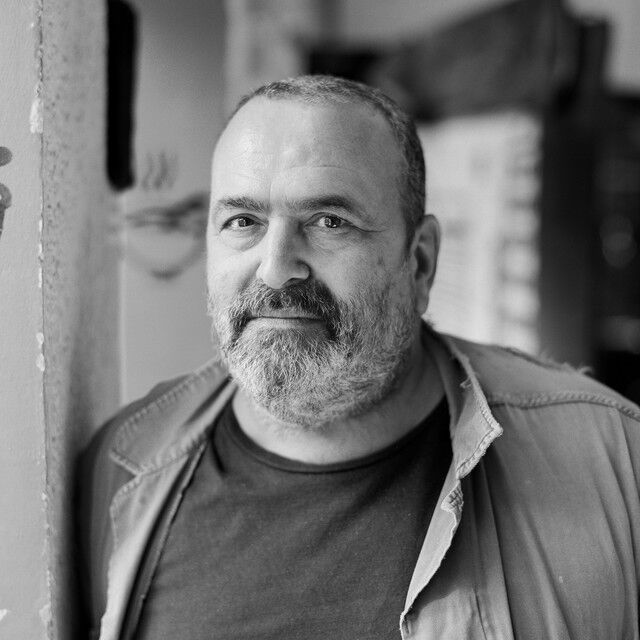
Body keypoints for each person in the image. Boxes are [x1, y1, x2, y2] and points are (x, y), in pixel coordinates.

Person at [77, 75, 640, 640]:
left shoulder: (612, 463)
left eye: (330, 222)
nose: (276, 268)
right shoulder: (125, 471)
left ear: (420, 263)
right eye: (242, 222)